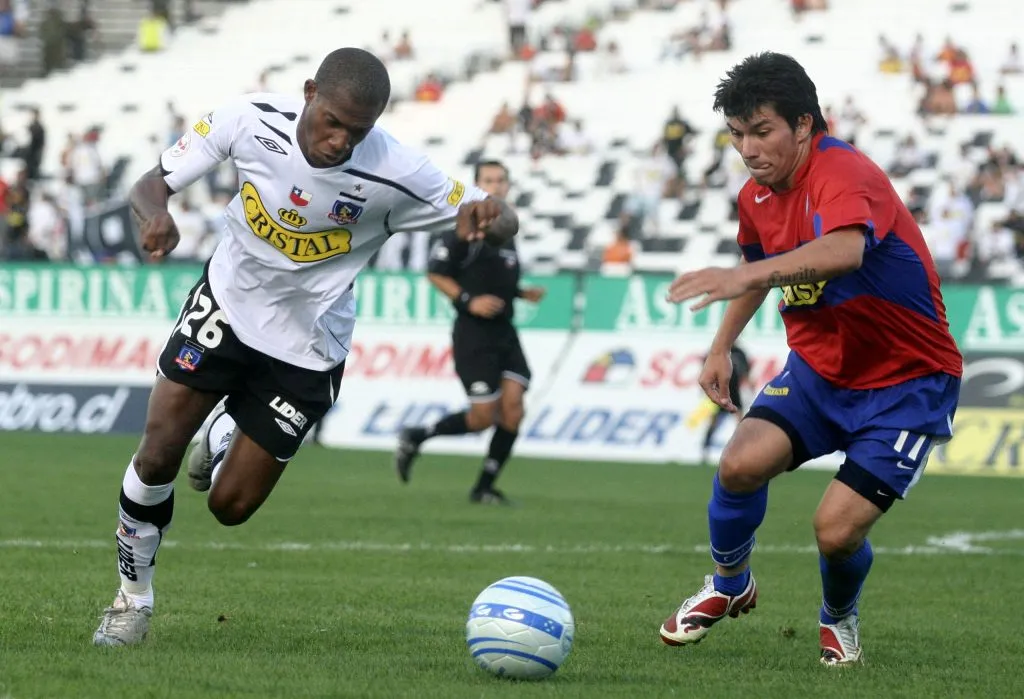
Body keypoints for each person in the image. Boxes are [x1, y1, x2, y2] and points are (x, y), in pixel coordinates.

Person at [91, 48, 518, 647]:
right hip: (227, 304)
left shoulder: (395, 169)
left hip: (308, 347)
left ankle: (223, 431)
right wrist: (155, 214)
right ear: (311, 91)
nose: (341, 141)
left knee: (229, 507)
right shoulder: (248, 118)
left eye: (358, 130)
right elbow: (151, 183)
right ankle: (131, 599)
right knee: (157, 452)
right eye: (333, 122)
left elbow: (499, 218)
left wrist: (490, 215)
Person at [656, 52, 962, 666]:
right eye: (737, 134)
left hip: (907, 383)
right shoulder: (756, 196)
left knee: (835, 531)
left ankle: (839, 617)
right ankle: (729, 583)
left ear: (803, 124)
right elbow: (755, 278)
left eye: (761, 131)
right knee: (740, 464)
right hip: (821, 372)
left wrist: (748, 271)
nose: (748, 149)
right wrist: (720, 348)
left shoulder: (844, 172)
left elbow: (844, 251)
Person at [393, 160, 543, 504]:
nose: (496, 186)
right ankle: (418, 435)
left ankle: (484, 487)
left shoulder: (505, 231)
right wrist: (468, 300)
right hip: (473, 335)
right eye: (488, 180)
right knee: (482, 418)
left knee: (514, 408)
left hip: (505, 332)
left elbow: (494, 278)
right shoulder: (465, 228)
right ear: (476, 184)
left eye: (501, 180)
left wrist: (520, 292)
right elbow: (436, 272)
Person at [699, 344, 749, 465]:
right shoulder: (717, 349)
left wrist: (749, 385)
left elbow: (745, 372)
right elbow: (706, 370)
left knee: (741, 423)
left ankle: (744, 451)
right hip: (719, 391)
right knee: (713, 422)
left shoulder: (739, 352)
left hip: (735, 393)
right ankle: (705, 448)